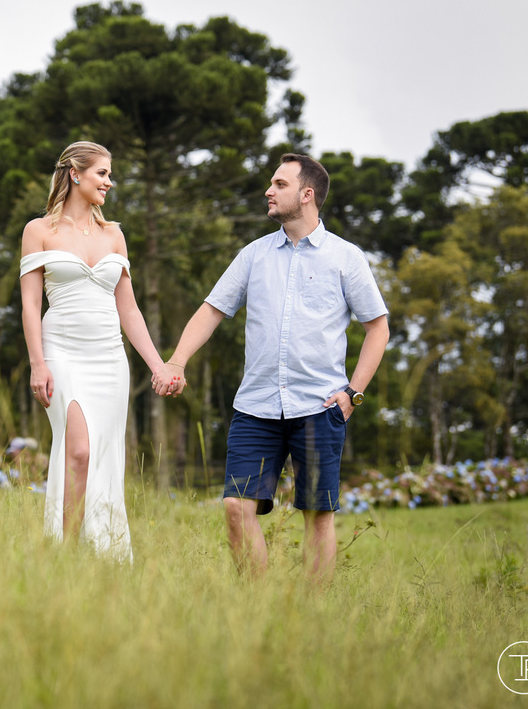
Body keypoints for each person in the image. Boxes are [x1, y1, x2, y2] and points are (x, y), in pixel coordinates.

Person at [155, 153, 389, 584]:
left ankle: (309, 618)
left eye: (279, 184)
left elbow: (378, 328)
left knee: (317, 515)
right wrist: (176, 360)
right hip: (256, 406)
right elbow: (211, 311)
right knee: (235, 507)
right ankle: (257, 608)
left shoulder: (345, 257)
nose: (268, 190)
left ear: (307, 194)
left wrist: (352, 395)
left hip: (321, 407)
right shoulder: (254, 255)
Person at [20, 141, 175, 561]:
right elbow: (31, 304)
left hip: (109, 358)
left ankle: (101, 553)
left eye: (110, 174)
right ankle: (65, 553)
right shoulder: (39, 231)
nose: (110, 181)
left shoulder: (114, 235)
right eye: (102, 173)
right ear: (75, 173)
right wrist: (37, 363)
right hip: (59, 352)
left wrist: (159, 365)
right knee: (79, 450)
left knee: (103, 455)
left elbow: (129, 308)